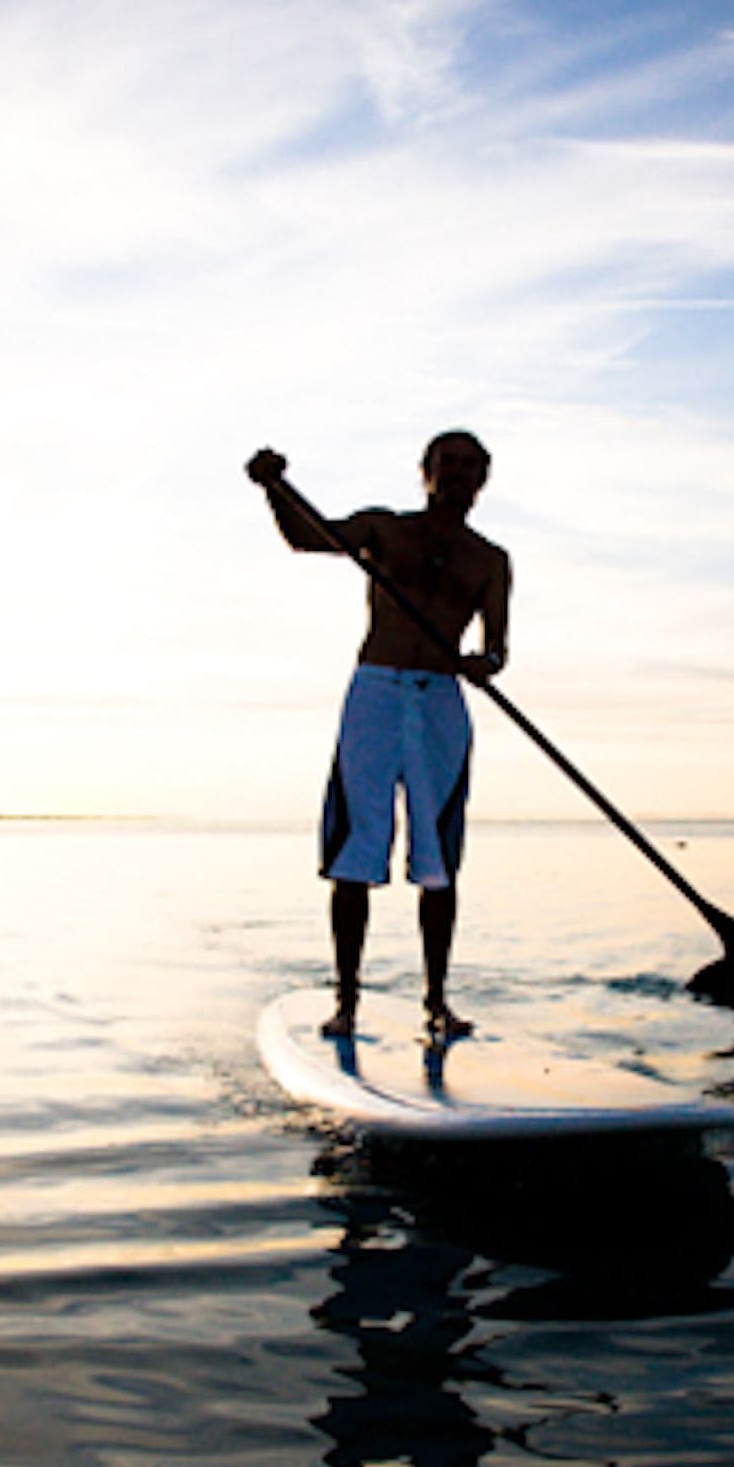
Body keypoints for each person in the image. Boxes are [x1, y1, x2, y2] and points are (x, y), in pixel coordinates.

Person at [247, 433, 512, 1041]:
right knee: (355, 854)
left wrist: (485, 662)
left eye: (469, 467)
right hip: (375, 694)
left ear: (483, 480)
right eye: (447, 464)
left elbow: (498, 643)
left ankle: (437, 1003)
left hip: (441, 701)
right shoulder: (385, 529)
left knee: (439, 861)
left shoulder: (489, 559)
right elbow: (308, 536)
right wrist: (273, 488)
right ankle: (346, 1002)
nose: (457, 476)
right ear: (426, 473)